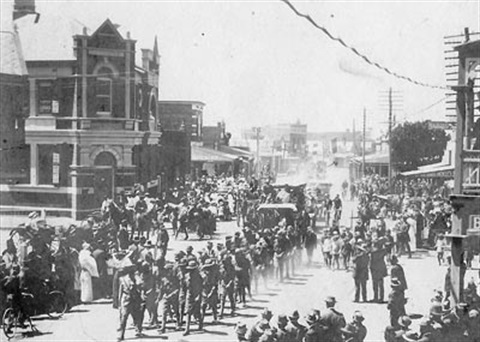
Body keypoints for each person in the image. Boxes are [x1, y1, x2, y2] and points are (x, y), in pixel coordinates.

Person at [117, 264, 142, 341]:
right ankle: (121, 335)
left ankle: (138, 329)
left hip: (134, 300)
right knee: (124, 318)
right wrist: (119, 303)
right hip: (126, 300)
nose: (132, 274)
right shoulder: (122, 279)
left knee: (137, 316)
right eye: (131, 272)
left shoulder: (136, 279)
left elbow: (140, 287)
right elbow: (120, 292)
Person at [183, 259, 203, 336]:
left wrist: (198, 296)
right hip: (189, 295)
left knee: (197, 312)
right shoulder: (187, 276)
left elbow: (201, 287)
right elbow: (185, 286)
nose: (190, 271)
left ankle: (200, 324)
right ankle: (187, 329)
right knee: (188, 312)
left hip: (196, 295)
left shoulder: (198, 277)